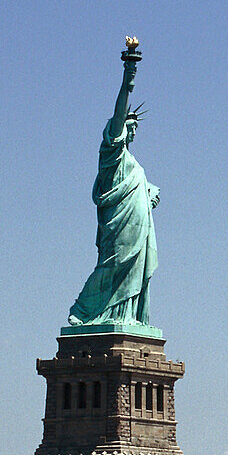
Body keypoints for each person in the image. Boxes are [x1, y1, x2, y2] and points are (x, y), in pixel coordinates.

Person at [69, 36, 159, 327]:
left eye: (133, 128)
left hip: (137, 228)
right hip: (118, 226)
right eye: (127, 126)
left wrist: (148, 194)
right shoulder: (111, 153)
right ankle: (85, 310)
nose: (130, 131)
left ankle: (126, 316)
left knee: (131, 269)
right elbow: (119, 111)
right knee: (111, 265)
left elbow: (139, 190)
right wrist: (129, 73)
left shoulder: (133, 164)